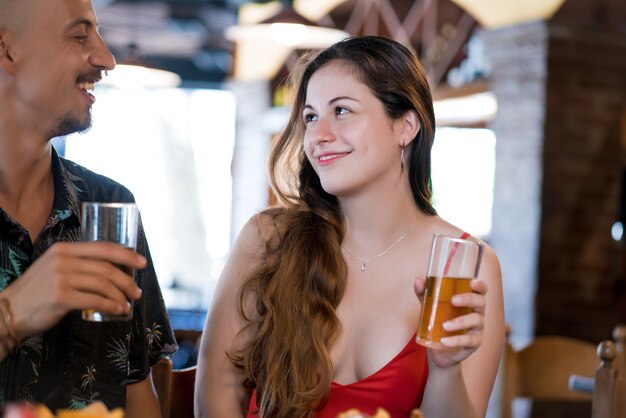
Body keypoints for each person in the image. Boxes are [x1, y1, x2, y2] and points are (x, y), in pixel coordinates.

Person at [195, 35, 504, 418]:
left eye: (341, 111)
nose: (318, 134)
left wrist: (445, 368)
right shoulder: (268, 238)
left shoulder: (464, 262)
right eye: (310, 116)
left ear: (406, 125)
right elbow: (218, 393)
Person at [0, 0, 177, 415]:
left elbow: (136, 392)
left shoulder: (111, 205)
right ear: (6, 50)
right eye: (80, 35)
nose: (107, 59)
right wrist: (12, 315)